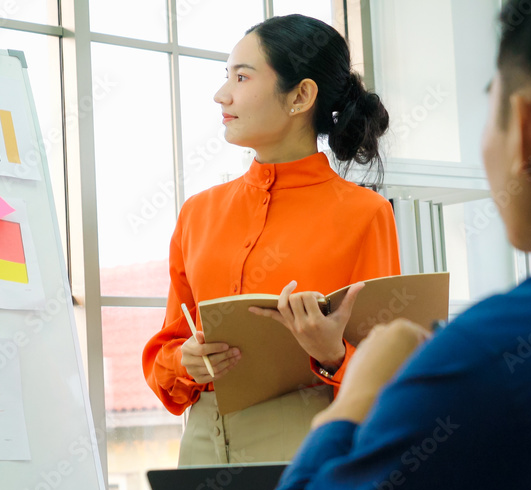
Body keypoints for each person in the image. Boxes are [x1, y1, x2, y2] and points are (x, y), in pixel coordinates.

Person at [229, 0, 531, 490]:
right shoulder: (200, 213)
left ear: (530, 129)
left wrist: (350, 404)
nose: (226, 96)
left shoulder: (491, 356)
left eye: (488, 109)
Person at [141, 14, 401, 466]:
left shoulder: (365, 214)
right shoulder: (197, 213)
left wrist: (333, 353)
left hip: (307, 440)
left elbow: (389, 375)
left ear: (300, 95)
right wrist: (186, 361)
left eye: (242, 77)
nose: (222, 95)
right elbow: (168, 348)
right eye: (227, 77)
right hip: (202, 440)